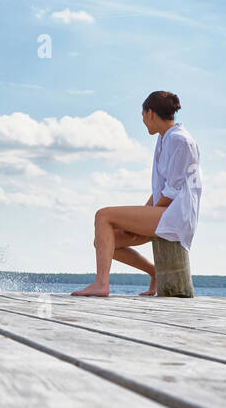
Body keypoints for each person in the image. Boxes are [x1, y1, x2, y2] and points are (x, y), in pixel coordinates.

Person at [73, 91, 201, 297]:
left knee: (103, 215)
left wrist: (142, 219)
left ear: (150, 113)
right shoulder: (165, 139)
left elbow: (173, 191)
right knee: (105, 241)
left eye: (142, 115)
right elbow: (161, 190)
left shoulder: (180, 140)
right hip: (165, 211)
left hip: (176, 216)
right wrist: (140, 217)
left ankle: (101, 284)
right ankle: (154, 273)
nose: (143, 121)